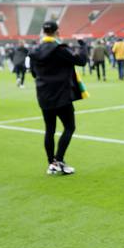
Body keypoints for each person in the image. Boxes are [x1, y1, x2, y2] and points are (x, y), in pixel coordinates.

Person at [29, 21, 87, 175]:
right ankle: (59, 160)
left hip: (43, 94)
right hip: (61, 94)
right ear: (57, 32)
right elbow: (81, 61)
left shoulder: (34, 50)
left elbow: (33, 73)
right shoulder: (60, 48)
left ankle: (52, 163)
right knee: (69, 127)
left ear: (43, 31)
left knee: (50, 130)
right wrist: (82, 44)